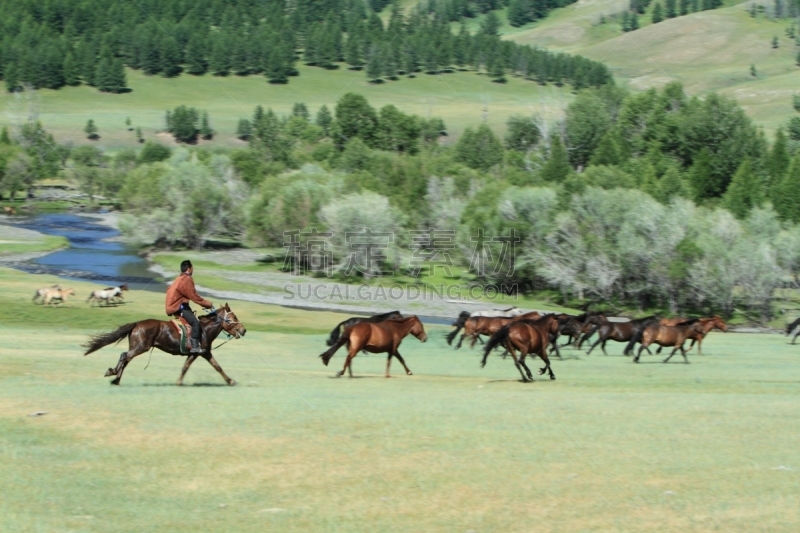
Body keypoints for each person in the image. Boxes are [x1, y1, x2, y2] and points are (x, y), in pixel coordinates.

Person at [165, 260, 213, 355]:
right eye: (192, 268)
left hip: (177, 306)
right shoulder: (186, 279)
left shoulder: (179, 278)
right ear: (189, 269)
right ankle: (195, 347)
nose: (192, 270)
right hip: (179, 307)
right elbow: (194, 297)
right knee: (195, 323)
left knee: (193, 319)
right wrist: (208, 304)